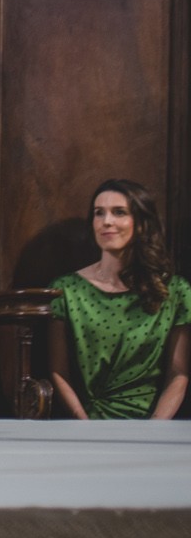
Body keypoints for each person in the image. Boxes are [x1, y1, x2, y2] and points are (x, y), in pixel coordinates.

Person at [49, 180, 190, 420]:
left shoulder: (175, 290)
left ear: (141, 223)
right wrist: (84, 424)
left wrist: (154, 429)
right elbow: (57, 371)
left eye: (119, 212)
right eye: (98, 213)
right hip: (86, 424)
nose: (107, 222)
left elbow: (179, 373)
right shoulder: (66, 289)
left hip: (151, 424)